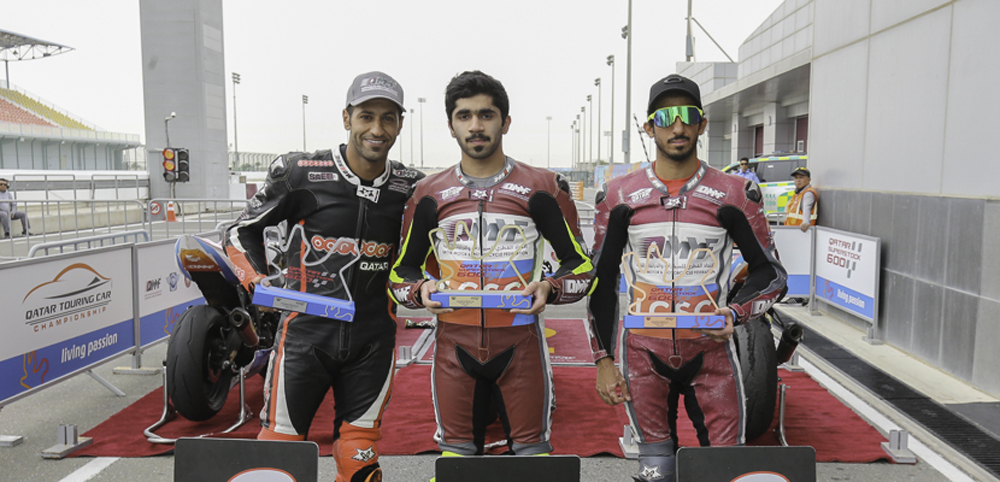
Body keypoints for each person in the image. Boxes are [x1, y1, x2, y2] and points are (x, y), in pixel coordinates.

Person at [225, 71, 424, 482]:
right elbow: (238, 232)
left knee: (359, 465)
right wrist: (257, 279)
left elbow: (433, 254)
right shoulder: (300, 171)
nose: (376, 128)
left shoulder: (413, 187)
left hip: (374, 340)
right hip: (304, 338)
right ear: (347, 117)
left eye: (388, 118)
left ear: (400, 124)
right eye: (366, 115)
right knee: (276, 461)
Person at [587, 74, 786, 482]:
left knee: (723, 471)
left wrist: (735, 312)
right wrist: (604, 361)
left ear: (701, 123)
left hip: (710, 354)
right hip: (643, 355)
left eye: (687, 115)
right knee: (656, 472)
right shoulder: (619, 195)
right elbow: (600, 283)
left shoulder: (735, 192)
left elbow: (772, 275)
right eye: (666, 116)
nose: (677, 126)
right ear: (650, 126)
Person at [389, 71, 593, 457]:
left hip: (521, 347)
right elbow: (402, 273)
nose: (476, 126)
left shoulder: (543, 186)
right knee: (457, 463)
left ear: (506, 121)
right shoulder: (428, 193)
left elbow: (581, 268)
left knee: (533, 461)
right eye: (464, 116)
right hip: (453, 347)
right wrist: (420, 291)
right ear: (451, 126)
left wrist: (550, 287)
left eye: (486, 115)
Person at [784, 167, 818, 232]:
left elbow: (807, 208)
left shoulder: (808, 193)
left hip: (802, 231)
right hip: (793, 230)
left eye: (801, 177)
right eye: (796, 178)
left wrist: (806, 222)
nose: (798, 180)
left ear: (809, 179)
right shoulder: (798, 193)